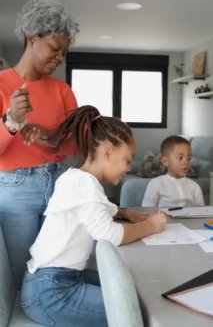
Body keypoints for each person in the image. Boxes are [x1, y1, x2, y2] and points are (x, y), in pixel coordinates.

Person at [21, 105, 167, 327]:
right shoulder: (85, 185)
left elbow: (101, 207)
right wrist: (152, 225)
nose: (128, 168)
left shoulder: (76, 178)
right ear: (108, 152)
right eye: (128, 160)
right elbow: (110, 234)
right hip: (50, 293)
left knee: (134, 286)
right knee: (139, 311)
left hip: (51, 280)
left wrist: (126, 212)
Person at [0, 0, 79, 287]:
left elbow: (75, 147)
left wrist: (50, 139)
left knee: (58, 270)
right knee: (20, 277)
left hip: (58, 185)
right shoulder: (1, 85)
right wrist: (11, 121)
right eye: (55, 49)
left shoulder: (62, 91)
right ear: (32, 38)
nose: (59, 58)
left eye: (64, 53)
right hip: (14, 191)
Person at [142, 135, 205, 208]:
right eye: (180, 158)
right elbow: (146, 210)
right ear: (165, 161)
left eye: (189, 158)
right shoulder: (155, 184)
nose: (186, 162)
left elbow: (201, 212)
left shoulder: (195, 187)